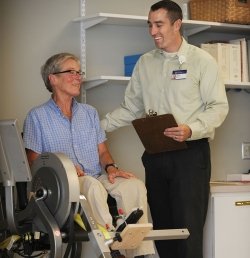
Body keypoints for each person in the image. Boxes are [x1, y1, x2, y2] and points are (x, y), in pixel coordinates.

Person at [101, 1, 229, 258]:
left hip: (190, 155)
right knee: (160, 230)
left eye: (159, 24)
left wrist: (191, 129)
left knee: (187, 231)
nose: (152, 31)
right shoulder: (145, 63)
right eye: (150, 24)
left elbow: (218, 107)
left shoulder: (202, 61)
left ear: (177, 24)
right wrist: (95, 128)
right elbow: (131, 108)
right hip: (156, 155)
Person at [23, 52, 155, 258]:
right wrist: (64, 171)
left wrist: (112, 168)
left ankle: (137, 252)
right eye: (71, 72)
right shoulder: (37, 116)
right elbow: (34, 162)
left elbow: (102, 151)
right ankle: (110, 244)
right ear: (53, 78)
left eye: (79, 72)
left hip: (96, 175)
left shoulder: (89, 113)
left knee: (134, 185)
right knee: (92, 187)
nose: (78, 77)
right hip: (66, 185)